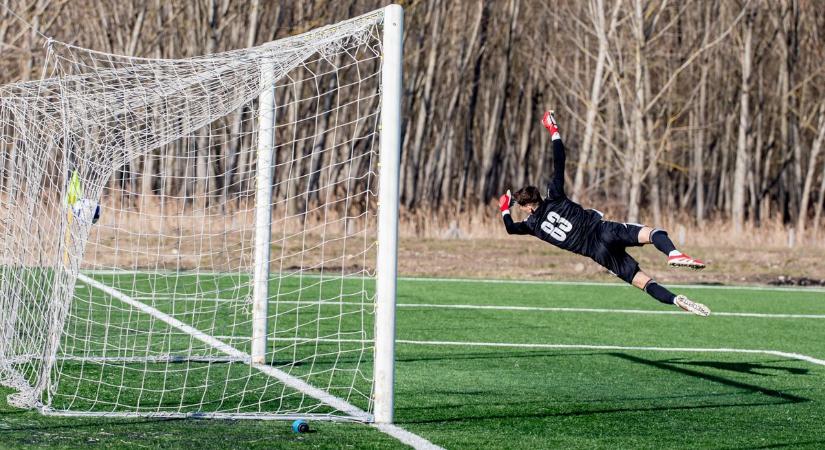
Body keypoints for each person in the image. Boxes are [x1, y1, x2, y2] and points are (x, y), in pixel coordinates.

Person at [499, 111, 710, 316]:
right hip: (604, 231)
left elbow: (510, 228)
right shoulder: (554, 196)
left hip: (599, 254)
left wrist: (504, 209)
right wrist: (553, 129)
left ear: (527, 208)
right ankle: (673, 254)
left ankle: (674, 300)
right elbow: (559, 160)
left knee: (644, 282)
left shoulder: (531, 226)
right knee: (653, 233)